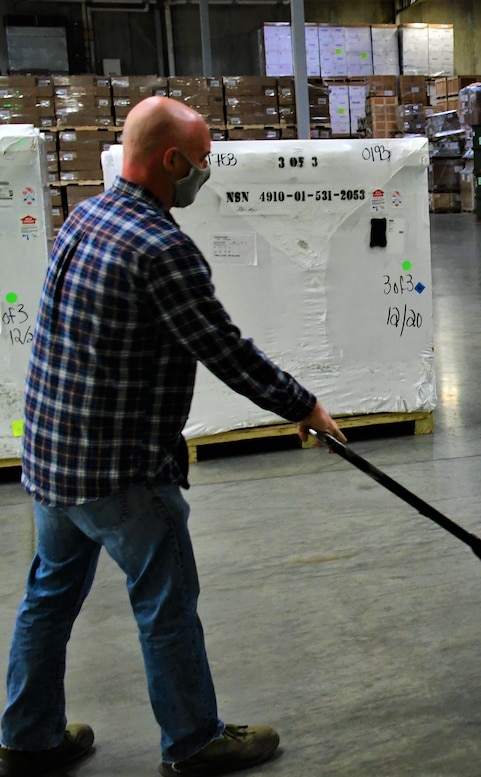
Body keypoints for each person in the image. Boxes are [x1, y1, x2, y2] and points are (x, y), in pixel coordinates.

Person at [0, 95, 346, 777]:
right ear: (171, 160)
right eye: (203, 160)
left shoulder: (86, 216)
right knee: (166, 603)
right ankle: (194, 741)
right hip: (118, 469)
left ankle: (26, 737)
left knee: (48, 595)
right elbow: (223, 348)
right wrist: (302, 405)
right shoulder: (161, 247)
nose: (205, 171)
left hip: (50, 454)